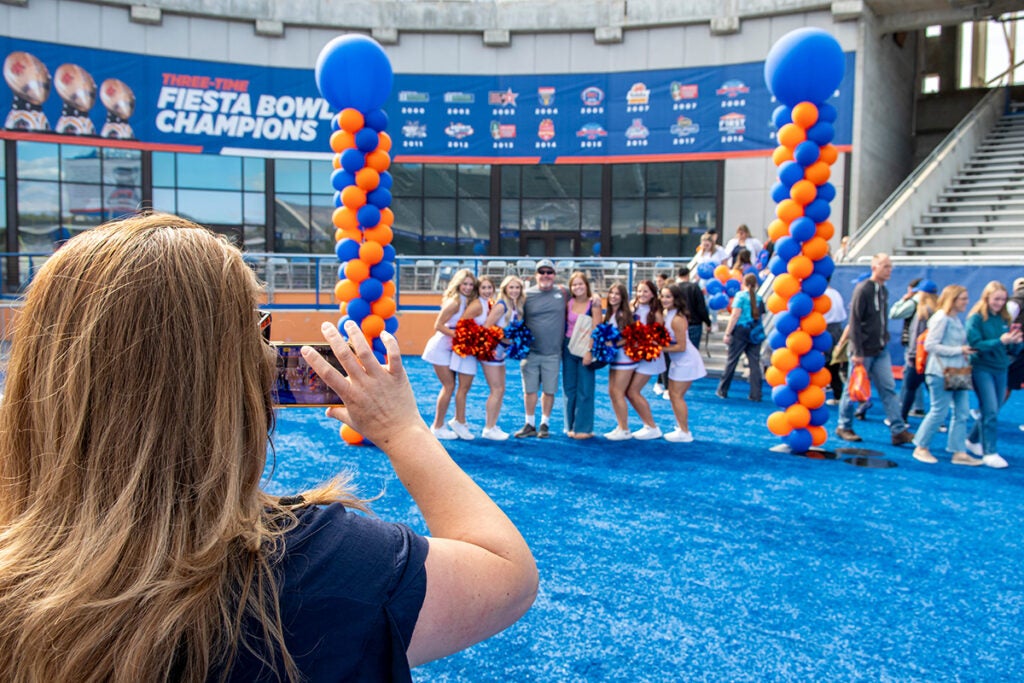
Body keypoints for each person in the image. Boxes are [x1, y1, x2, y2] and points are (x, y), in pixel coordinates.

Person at [0, 214, 537, 681]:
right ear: (231, 377)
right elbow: (506, 576)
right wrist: (404, 432)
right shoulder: (316, 561)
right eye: (258, 335)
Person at [834, 253, 915, 446]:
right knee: (853, 389)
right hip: (864, 350)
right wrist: (858, 352)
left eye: (890, 266)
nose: (889, 270)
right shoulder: (864, 289)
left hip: (879, 349)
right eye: (885, 266)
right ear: (874, 267)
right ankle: (843, 425)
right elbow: (854, 321)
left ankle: (898, 430)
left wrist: (883, 338)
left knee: (888, 389)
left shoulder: (883, 291)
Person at [911, 285, 982, 466]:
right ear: (953, 299)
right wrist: (959, 350)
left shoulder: (955, 319)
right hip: (939, 371)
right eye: (963, 299)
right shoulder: (941, 318)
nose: (967, 302)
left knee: (962, 412)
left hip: (957, 371)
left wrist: (963, 352)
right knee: (938, 411)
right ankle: (921, 447)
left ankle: (958, 452)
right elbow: (930, 345)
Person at [964, 281, 1023, 468]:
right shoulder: (976, 319)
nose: (999, 303)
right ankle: (990, 452)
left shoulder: (1004, 319)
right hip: (982, 368)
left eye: (1003, 299)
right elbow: (975, 345)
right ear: (986, 298)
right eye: (996, 299)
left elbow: (1010, 348)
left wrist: (1016, 341)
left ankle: (973, 440)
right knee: (989, 410)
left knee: (993, 409)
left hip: (1001, 368)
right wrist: (1000, 341)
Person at [421, 268, 478, 440]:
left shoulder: (467, 301)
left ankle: (446, 423)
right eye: (464, 284)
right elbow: (438, 325)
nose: (467, 287)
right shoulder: (454, 302)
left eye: (470, 284)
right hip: (440, 348)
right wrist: (461, 336)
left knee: (452, 386)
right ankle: (437, 426)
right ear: (458, 284)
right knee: (449, 386)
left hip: (451, 348)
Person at [515, 259, 566, 438]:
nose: (545, 275)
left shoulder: (563, 292)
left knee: (549, 390)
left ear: (554, 275)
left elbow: (584, 296)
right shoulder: (526, 295)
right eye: (541, 272)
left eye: (549, 272)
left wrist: (597, 297)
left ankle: (545, 424)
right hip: (530, 353)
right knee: (529, 390)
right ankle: (529, 424)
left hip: (553, 353)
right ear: (536, 275)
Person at [448, 275, 496, 440]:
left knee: (464, 388)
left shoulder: (486, 303)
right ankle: (459, 422)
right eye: (483, 288)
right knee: (463, 388)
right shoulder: (476, 305)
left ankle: (460, 421)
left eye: (490, 288)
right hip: (465, 351)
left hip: (470, 352)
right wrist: (474, 344)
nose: (487, 291)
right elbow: (463, 327)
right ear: (478, 290)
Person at [478, 275, 525, 441]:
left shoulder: (515, 305)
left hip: (501, 352)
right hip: (492, 352)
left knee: (501, 389)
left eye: (517, 288)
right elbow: (486, 328)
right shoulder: (501, 305)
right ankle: (488, 428)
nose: (514, 291)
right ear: (505, 289)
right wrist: (500, 339)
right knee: (496, 389)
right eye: (511, 287)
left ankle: (493, 424)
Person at [660, 284, 707, 442]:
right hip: (678, 361)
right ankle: (681, 428)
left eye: (668, 296)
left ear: (676, 299)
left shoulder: (678, 318)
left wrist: (658, 348)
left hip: (686, 360)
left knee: (677, 395)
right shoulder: (668, 314)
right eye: (663, 296)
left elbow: (681, 346)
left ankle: (685, 432)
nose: (664, 299)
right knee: (673, 395)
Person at [562, 271, 603, 439]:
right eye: (574, 284)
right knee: (569, 387)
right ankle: (570, 426)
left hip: (586, 347)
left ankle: (584, 428)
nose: (577, 287)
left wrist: (589, 351)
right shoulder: (568, 302)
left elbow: (597, 328)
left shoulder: (594, 304)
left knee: (585, 388)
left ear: (587, 285)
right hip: (568, 346)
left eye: (581, 284)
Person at [624, 280, 665, 439]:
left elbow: (659, 338)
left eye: (646, 292)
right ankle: (647, 424)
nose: (642, 294)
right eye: (639, 291)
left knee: (632, 391)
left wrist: (642, 346)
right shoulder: (632, 306)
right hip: (633, 355)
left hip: (648, 357)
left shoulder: (656, 313)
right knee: (629, 391)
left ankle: (652, 426)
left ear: (653, 294)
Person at [890, 277, 936, 417]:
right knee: (928, 386)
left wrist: (905, 299)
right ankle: (920, 409)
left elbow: (894, 314)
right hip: (929, 354)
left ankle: (903, 415)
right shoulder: (937, 309)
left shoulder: (918, 307)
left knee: (911, 383)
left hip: (918, 353)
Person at [716, 273, 764, 402]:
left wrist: (727, 333)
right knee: (754, 363)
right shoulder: (759, 298)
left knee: (732, 361)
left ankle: (723, 390)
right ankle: (756, 393)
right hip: (755, 332)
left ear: (744, 283)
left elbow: (735, 315)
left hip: (740, 331)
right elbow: (761, 316)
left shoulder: (740, 296)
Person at [602, 282, 638, 441]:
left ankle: (625, 429)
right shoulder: (610, 313)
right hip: (615, 358)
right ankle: (620, 425)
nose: (613, 296)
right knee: (612, 392)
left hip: (625, 358)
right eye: (611, 293)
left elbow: (630, 336)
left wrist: (614, 344)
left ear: (623, 297)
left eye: (617, 294)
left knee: (618, 393)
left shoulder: (624, 314)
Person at [899, 284, 939, 422]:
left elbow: (917, 336)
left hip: (919, 357)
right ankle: (938, 420)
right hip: (932, 358)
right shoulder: (938, 311)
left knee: (910, 389)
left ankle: (902, 419)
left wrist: (912, 354)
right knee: (933, 392)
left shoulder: (922, 312)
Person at [823, 279, 848, 405]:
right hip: (837, 329)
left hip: (824, 329)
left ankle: (825, 389)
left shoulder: (821, 295)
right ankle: (838, 393)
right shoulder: (836, 293)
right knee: (834, 364)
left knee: (823, 363)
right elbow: (843, 315)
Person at [675, 266, 711, 350]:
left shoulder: (675, 288)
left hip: (678, 323)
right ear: (688, 275)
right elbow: (701, 307)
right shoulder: (694, 287)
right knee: (693, 350)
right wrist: (707, 322)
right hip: (694, 323)